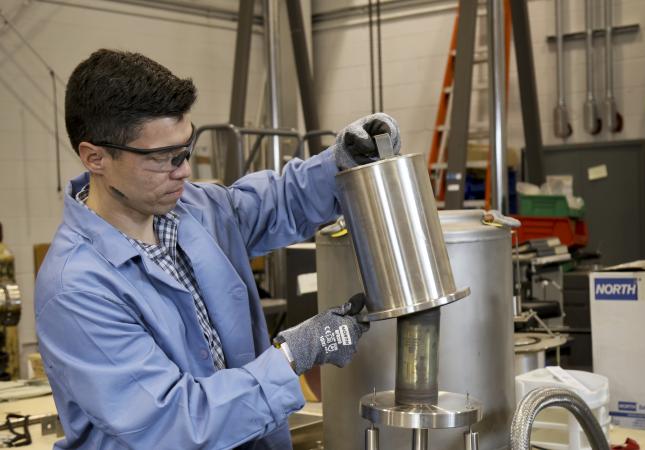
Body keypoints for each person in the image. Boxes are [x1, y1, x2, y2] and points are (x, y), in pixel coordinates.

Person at [35, 49, 401, 450]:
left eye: (186, 150)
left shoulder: (193, 210)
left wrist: (343, 163)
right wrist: (294, 355)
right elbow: (174, 424)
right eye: (164, 159)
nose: (185, 170)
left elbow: (281, 201)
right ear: (96, 157)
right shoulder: (76, 289)